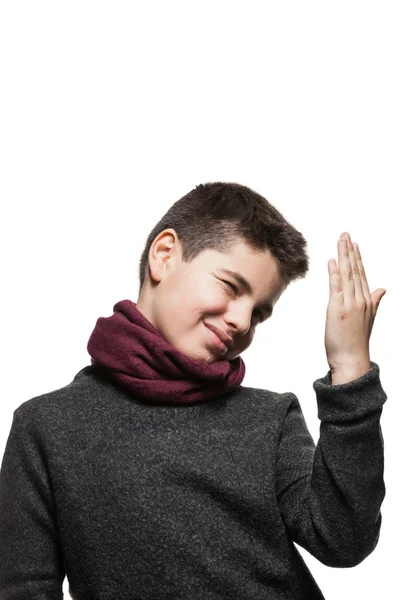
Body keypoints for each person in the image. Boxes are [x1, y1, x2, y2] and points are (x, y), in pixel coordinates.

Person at [0, 182, 387, 599]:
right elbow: (23, 587)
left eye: (259, 313)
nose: (241, 320)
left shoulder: (269, 417)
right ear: (164, 255)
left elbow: (343, 539)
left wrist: (349, 370)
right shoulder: (48, 426)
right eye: (230, 286)